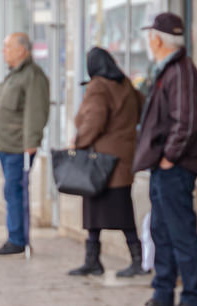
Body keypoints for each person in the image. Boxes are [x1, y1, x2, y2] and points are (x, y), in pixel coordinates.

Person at [131, 12, 197, 306]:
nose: (149, 41)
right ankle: (162, 295)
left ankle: (191, 300)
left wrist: (170, 157)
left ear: (158, 39)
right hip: (163, 168)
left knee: (181, 233)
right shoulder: (168, 69)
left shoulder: (181, 71)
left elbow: (186, 121)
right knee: (160, 231)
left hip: (175, 168)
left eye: (150, 36)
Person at [68, 47, 146, 278]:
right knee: (117, 209)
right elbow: (142, 109)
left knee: (110, 211)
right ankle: (98, 260)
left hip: (100, 161)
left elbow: (94, 119)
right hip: (121, 160)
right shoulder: (126, 85)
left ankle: (130, 261)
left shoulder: (98, 86)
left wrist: (79, 142)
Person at [0, 32, 50, 256]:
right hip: (5, 144)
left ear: (22, 50)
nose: (3, 51)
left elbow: (36, 111)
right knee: (11, 191)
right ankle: (15, 237)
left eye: (8, 47)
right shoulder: (13, 75)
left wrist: (31, 142)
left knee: (15, 191)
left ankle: (17, 240)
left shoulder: (32, 76)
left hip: (19, 146)